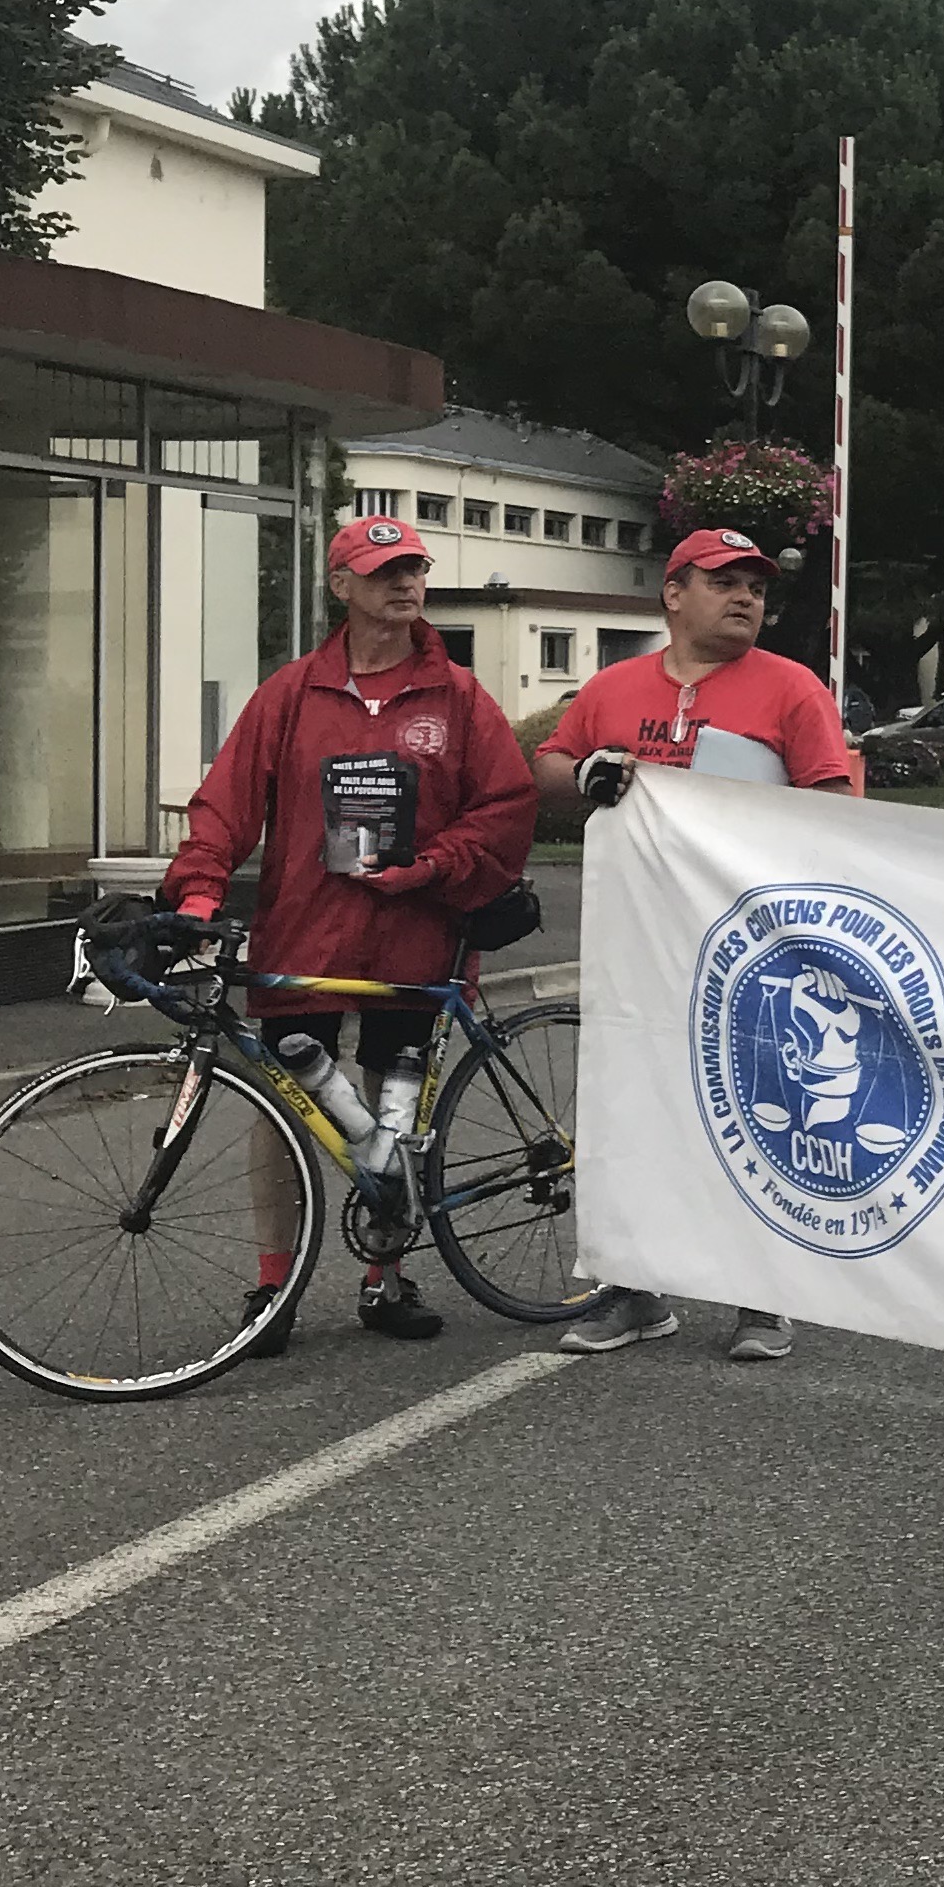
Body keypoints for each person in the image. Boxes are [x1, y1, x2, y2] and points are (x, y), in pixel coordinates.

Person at [166, 514, 539, 1352]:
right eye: (382, 572)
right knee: (283, 1107)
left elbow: (507, 811)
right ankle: (273, 1282)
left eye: (413, 569)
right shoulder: (291, 693)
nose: (404, 584)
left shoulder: (460, 698)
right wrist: (197, 894)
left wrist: (433, 866)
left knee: (393, 1106)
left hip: (417, 936)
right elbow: (225, 806)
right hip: (304, 935)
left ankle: (386, 1275)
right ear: (341, 585)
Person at [537, 524, 862, 1360]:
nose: (747, 597)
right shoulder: (614, 687)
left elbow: (832, 800)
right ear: (674, 594)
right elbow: (549, 763)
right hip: (638, 944)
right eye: (724, 582)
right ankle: (633, 1290)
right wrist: (582, 776)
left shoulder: (790, 689)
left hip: (751, 950)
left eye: (755, 585)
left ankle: (763, 1296)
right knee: (630, 1112)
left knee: (758, 1113)